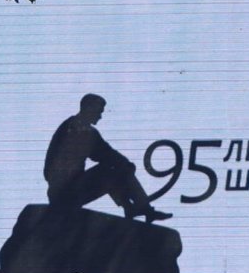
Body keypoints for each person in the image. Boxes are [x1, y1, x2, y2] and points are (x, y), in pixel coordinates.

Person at [44, 93, 171, 222]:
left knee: (116, 168)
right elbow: (107, 155)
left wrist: (124, 164)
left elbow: (106, 153)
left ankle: (135, 208)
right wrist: (126, 165)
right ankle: (141, 208)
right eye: (98, 111)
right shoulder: (78, 128)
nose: (100, 116)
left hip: (66, 191)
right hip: (64, 193)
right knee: (114, 169)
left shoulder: (79, 128)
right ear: (88, 108)